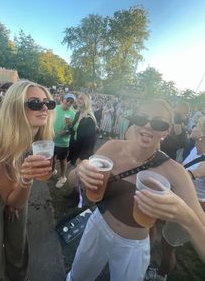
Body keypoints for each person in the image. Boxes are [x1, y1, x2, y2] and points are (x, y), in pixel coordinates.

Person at [66, 99, 205, 281]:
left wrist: (184, 216)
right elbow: (71, 181)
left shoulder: (175, 172)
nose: (147, 126)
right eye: (141, 118)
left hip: (133, 245)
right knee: (77, 277)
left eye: (158, 122)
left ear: (167, 130)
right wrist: (78, 172)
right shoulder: (112, 147)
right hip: (97, 226)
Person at [0, 80, 56, 280]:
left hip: (15, 188)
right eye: (35, 103)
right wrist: (25, 180)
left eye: (48, 103)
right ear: (15, 106)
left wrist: (19, 189)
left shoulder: (39, 135)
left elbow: (15, 196)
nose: (44, 108)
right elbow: (10, 197)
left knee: (18, 250)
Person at [145, 115, 205, 281]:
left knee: (167, 245)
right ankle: (146, 254)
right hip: (174, 197)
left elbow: (192, 174)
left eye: (198, 125)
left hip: (191, 208)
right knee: (150, 220)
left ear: (203, 135)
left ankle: (161, 275)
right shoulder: (195, 149)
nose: (193, 127)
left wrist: (191, 174)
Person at [53, 93, 76, 188]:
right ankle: (53, 170)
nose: (69, 103)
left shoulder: (72, 114)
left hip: (63, 143)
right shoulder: (55, 108)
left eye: (71, 101)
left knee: (63, 161)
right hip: (52, 140)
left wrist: (66, 132)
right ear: (63, 99)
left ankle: (63, 177)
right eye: (67, 100)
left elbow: (72, 129)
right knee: (52, 158)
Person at [68, 93, 97, 166]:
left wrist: (82, 157)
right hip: (74, 146)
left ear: (86, 101)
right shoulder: (78, 113)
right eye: (78, 98)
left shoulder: (89, 119)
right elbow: (75, 131)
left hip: (81, 151)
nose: (78, 100)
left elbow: (90, 142)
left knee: (79, 172)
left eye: (81, 98)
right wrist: (70, 126)